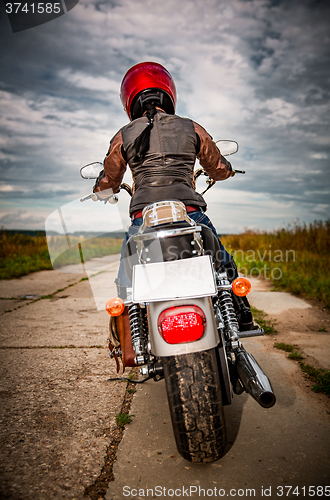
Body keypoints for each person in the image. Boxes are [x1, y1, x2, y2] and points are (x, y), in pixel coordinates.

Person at [94, 62, 255, 331]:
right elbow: (218, 167)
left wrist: (101, 189)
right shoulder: (191, 127)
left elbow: (109, 180)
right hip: (189, 213)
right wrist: (227, 171)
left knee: (127, 282)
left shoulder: (123, 136)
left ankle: (133, 339)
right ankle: (241, 313)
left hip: (143, 220)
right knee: (222, 264)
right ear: (168, 94)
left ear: (130, 99)